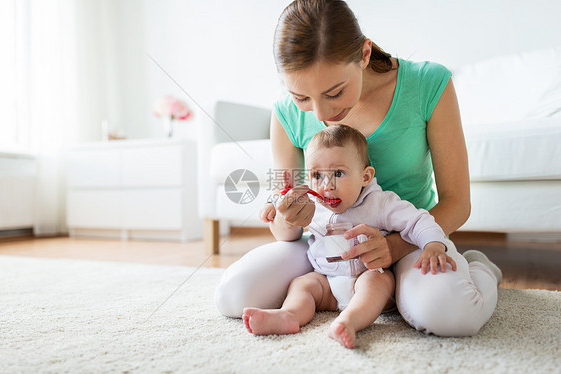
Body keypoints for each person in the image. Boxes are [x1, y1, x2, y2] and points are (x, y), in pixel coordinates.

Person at [215, 0, 503, 337]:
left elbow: (458, 202)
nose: (320, 114)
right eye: (301, 98)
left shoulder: (429, 83)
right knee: (233, 296)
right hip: (325, 247)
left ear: (364, 54)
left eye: (334, 92)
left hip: (410, 241)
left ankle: (480, 267)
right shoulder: (284, 115)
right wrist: (288, 216)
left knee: (451, 316)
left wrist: (392, 247)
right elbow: (285, 228)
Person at [243, 125, 456, 349]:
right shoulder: (312, 204)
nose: (327, 186)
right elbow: (285, 202)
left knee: (378, 281)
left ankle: (349, 321)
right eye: (317, 175)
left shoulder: (380, 203)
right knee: (302, 284)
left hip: (366, 278)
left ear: (365, 176)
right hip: (326, 283)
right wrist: (274, 206)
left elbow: (417, 220)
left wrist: (433, 244)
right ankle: (289, 315)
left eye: (338, 173)